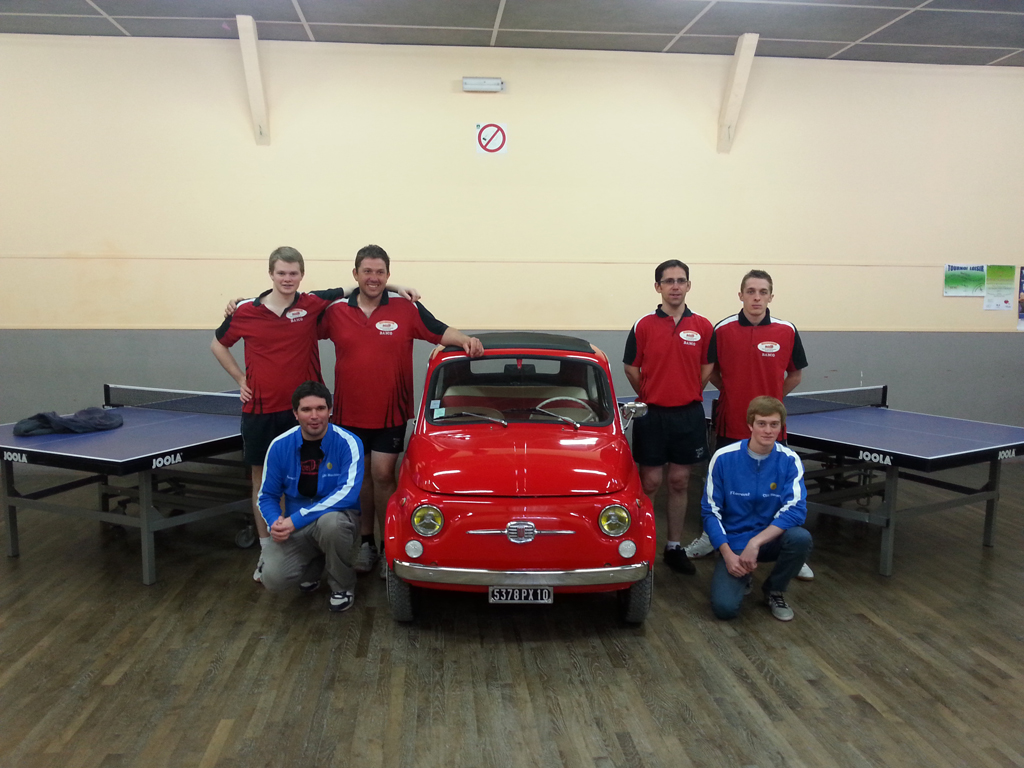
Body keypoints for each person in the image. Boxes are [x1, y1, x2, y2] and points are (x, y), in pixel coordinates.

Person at [212, 246, 414, 583]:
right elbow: (218, 343)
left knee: (311, 480)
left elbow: (358, 286)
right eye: (281, 273)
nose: (287, 278)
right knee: (263, 483)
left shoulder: (311, 304)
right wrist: (240, 379)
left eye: (293, 273)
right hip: (260, 410)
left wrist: (395, 287)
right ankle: (267, 549)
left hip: (304, 412)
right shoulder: (246, 310)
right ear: (271, 274)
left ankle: (312, 550)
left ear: (301, 275)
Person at [320, 244, 483, 578]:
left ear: (388, 275)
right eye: (367, 271)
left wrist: (467, 340)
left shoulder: (406, 309)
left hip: (390, 413)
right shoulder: (335, 311)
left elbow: (439, 330)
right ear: (355, 274)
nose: (374, 278)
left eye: (381, 272)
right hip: (349, 414)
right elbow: (299, 304)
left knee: (383, 474)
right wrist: (246, 303)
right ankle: (367, 544)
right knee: (361, 478)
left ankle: (387, 546)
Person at [685, 269, 814, 581]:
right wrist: (730, 389)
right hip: (730, 423)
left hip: (771, 429)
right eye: (751, 291)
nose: (757, 297)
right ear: (741, 295)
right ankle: (711, 537)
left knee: (781, 492)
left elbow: (795, 374)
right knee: (719, 489)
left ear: (771, 296)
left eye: (763, 292)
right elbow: (711, 371)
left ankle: (789, 549)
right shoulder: (722, 330)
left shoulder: (786, 330)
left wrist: (770, 405)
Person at [623, 259, 713, 575]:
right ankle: (641, 547)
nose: (675, 286)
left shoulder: (703, 326)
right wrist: (651, 392)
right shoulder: (643, 325)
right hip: (652, 415)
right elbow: (631, 368)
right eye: (669, 281)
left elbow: (707, 367)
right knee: (650, 482)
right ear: (658, 287)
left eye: (680, 280)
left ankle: (673, 547)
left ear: (688, 285)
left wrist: (687, 390)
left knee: (679, 481)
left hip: (688, 415)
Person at [700, 396, 812, 621]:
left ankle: (774, 590)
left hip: (770, 539)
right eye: (762, 423)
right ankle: (742, 573)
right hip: (734, 543)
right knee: (725, 609)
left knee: (800, 538)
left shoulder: (790, 460)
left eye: (774, 424)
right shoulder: (723, 458)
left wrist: (755, 543)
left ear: (781, 427)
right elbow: (710, 512)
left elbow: (796, 510)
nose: (768, 430)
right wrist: (727, 554)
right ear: (750, 425)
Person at [258, 381, 364, 612]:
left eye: (320, 408)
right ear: (295, 413)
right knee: (272, 579)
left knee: (331, 524)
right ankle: (315, 566)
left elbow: (347, 494)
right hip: (295, 524)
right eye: (306, 409)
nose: (314, 416)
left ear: (330, 410)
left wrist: (294, 520)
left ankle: (342, 586)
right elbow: (267, 496)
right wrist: (275, 522)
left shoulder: (349, 443)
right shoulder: (279, 446)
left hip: (336, 518)